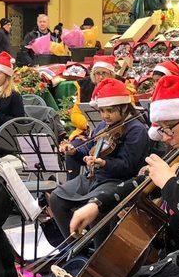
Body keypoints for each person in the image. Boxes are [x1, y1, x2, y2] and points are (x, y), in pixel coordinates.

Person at [70, 75, 179, 250]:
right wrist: (97, 204)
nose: (165, 137)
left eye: (170, 127)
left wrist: (169, 182)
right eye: (161, 129)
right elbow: (141, 183)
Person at [50, 78, 149, 238]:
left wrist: (104, 163)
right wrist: (74, 152)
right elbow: (88, 151)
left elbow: (128, 166)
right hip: (94, 177)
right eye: (102, 111)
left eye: (110, 111)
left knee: (96, 205)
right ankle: (74, 247)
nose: (105, 116)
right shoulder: (103, 127)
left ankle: (98, 251)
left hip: (117, 181)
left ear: (124, 107)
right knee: (56, 198)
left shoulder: (136, 129)